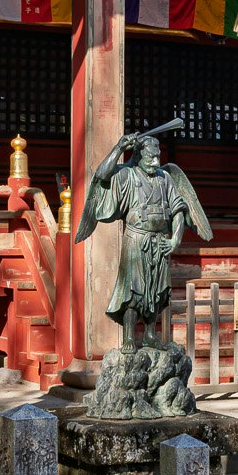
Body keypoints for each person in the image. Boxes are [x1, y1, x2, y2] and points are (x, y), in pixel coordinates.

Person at [74, 129, 211, 344]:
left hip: (160, 241)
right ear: (138, 156)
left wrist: (175, 239)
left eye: (158, 157)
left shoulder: (165, 178)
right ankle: (129, 336)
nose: (156, 162)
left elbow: (178, 209)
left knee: (157, 290)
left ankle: (150, 333)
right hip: (136, 241)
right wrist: (119, 148)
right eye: (150, 157)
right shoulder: (127, 175)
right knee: (133, 291)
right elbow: (102, 175)